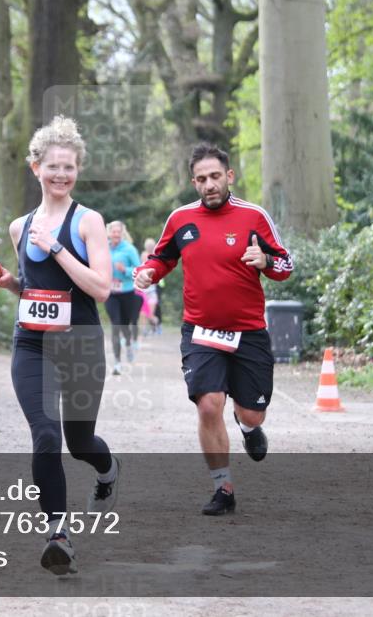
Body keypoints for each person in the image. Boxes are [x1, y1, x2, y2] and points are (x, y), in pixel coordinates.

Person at [0, 115, 121, 575]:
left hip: (80, 344)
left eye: (70, 168)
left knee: (81, 442)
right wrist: (12, 285)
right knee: (46, 434)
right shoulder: (19, 227)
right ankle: (58, 535)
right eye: (53, 167)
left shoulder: (89, 222)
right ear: (35, 168)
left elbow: (101, 289)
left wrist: (59, 248)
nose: (61, 175)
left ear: (77, 170)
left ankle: (107, 471)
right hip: (32, 345)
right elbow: (36, 290)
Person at [134, 142, 293, 516]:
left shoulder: (254, 216)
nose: (209, 185)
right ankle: (223, 487)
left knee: (251, 413)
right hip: (201, 331)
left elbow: (286, 265)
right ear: (194, 182)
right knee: (208, 404)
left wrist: (266, 260)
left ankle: (249, 427)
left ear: (229, 177)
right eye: (202, 179)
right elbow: (163, 258)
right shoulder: (180, 220)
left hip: (249, 330)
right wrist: (148, 273)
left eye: (216, 177)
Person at [105, 221, 142, 375]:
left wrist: (125, 269)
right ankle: (117, 363)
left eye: (118, 232)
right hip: (110, 293)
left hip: (127, 293)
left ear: (122, 233)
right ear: (109, 233)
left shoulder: (129, 249)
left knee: (125, 326)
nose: (116, 234)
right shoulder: (103, 247)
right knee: (115, 326)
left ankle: (128, 343)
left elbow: (139, 269)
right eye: (113, 231)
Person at [138, 238, 161, 336]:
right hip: (143, 291)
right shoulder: (144, 255)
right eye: (148, 246)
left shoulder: (156, 255)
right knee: (143, 313)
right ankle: (144, 330)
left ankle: (157, 327)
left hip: (152, 291)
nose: (150, 247)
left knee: (150, 314)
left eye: (151, 246)